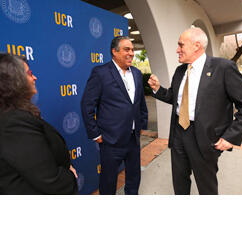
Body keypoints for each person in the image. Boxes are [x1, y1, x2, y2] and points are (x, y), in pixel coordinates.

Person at [148, 26, 242, 195]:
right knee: (179, 182)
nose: (177, 50)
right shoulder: (180, 70)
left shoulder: (223, 68)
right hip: (178, 134)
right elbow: (175, 98)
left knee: (207, 188)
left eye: (181, 45)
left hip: (205, 139)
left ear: (196, 46)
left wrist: (231, 136)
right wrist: (157, 89)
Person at [0, 53, 78, 194]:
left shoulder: (17, 113)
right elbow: (50, 181)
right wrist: (70, 175)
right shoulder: (14, 123)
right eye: (30, 73)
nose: (35, 77)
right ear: (14, 81)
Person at [81, 36, 148, 195]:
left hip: (133, 139)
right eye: (127, 49)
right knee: (108, 181)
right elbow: (87, 105)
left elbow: (140, 103)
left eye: (132, 49)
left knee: (134, 178)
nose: (131, 53)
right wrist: (95, 134)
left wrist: (142, 125)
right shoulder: (101, 73)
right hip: (111, 140)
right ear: (114, 51)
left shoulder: (137, 74)